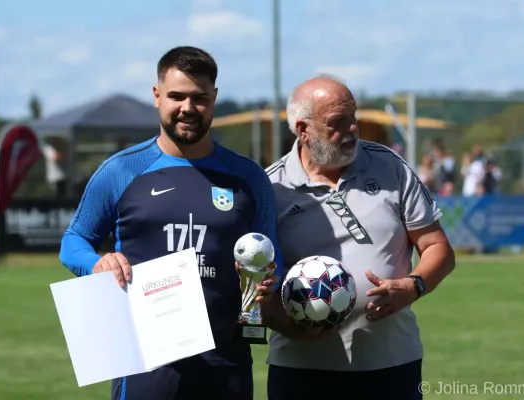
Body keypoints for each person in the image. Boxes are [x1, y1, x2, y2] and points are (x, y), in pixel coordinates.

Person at [59, 46, 282, 400]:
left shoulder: (249, 178)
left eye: (200, 98)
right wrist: (96, 263)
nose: (188, 108)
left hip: (226, 358)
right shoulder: (121, 170)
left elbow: (271, 255)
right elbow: (73, 242)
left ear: (215, 99)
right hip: (144, 359)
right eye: (176, 96)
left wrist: (271, 281)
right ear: (157, 95)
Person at [261, 75, 456, 400]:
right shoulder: (270, 189)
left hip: (391, 365)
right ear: (303, 130)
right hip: (301, 370)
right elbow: (255, 287)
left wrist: (413, 286)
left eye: (353, 118)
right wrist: (287, 324)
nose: (352, 129)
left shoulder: (391, 167)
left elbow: (438, 248)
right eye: (337, 122)